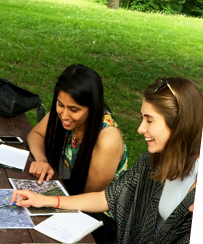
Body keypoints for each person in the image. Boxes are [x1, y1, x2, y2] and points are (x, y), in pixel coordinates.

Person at [11, 77, 203, 244]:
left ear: (179, 124)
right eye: (142, 118)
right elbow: (111, 197)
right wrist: (48, 201)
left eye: (149, 120)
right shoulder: (156, 157)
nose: (139, 129)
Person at [26, 64, 127, 194]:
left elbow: (89, 197)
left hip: (96, 209)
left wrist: (47, 199)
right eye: (60, 104)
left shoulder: (108, 140)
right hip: (68, 192)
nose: (65, 115)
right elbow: (36, 134)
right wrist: (41, 160)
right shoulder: (63, 114)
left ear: (92, 108)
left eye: (74, 109)